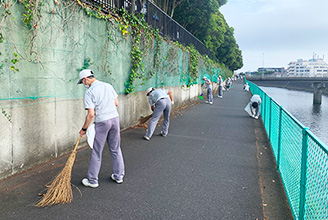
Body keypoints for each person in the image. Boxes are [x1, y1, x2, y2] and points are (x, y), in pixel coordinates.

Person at [78, 69, 125, 188]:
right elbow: (116, 103)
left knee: (97, 150)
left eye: (83, 82)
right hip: (115, 118)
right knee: (115, 148)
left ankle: (92, 180)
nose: (84, 84)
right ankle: (119, 176)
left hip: (102, 121)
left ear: (85, 79)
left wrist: (84, 129)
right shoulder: (108, 85)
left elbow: (91, 114)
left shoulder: (89, 92)